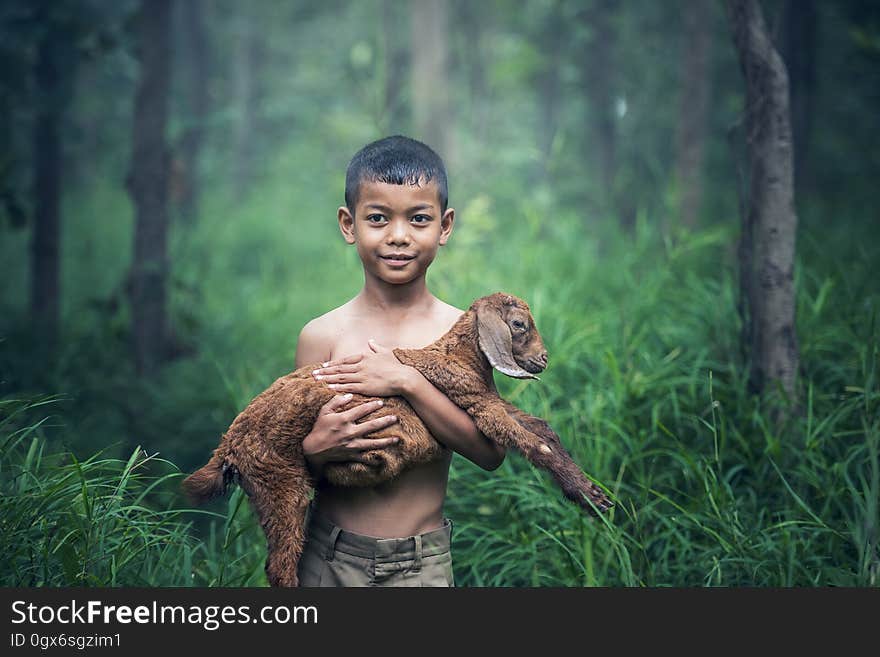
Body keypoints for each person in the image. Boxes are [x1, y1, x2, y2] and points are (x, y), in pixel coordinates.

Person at [293, 135, 505, 586]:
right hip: (327, 557)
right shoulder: (322, 335)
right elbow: (288, 464)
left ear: (444, 227)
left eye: (419, 219)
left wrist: (409, 381)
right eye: (377, 218)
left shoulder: (462, 334)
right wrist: (315, 451)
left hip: (421, 565)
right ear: (348, 225)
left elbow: (490, 452)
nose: (398, 236)